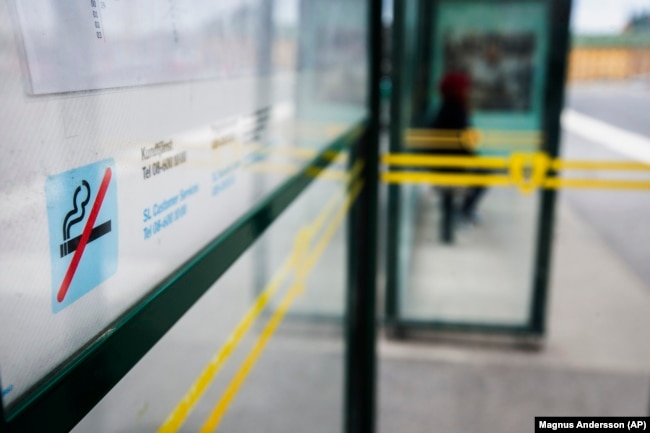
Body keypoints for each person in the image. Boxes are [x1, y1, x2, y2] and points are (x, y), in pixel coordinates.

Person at [429, 71, 486, 233]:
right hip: (450, 165)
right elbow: (466, 142)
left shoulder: (447, 108)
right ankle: (463, 211)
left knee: (483, 172)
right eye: (465, 88)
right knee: (484, 174)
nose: (468, 91)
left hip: (445, 163)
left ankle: (462, 211)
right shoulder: (455, 110)